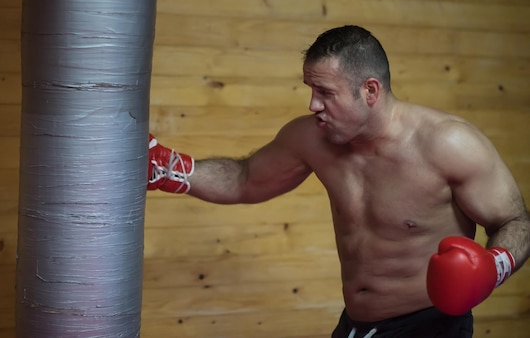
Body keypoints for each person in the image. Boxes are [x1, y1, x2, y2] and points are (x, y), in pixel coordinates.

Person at [147, 25, 530, 337]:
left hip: (429, 327)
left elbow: (515, 222)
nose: (313, 105)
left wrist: (492, 266)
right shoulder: (312, 138)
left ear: (370, 91)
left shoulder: (449, 144)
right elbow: (245, 179)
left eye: (325, 93)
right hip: (355, 325)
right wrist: (168, 168)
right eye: (311, 90)